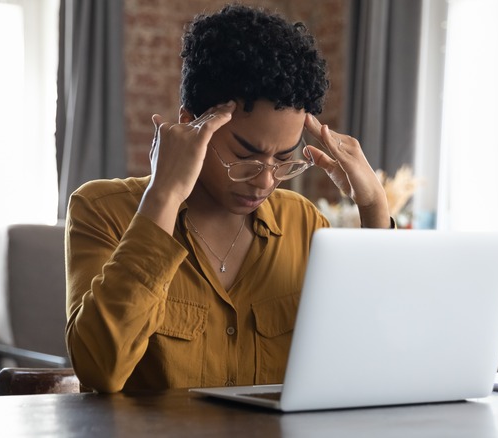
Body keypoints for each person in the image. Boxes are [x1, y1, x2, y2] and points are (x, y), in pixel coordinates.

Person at [65, 4, 393, 393]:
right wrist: (164, 196)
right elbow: (100, 368)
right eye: (245, 156)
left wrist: (374, 206)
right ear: (191, 125)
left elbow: (371, 355)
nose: (266, 180)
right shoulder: (103, 211)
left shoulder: (302, 225)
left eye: (284, 159)